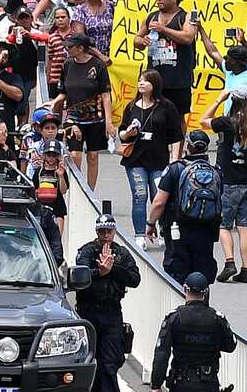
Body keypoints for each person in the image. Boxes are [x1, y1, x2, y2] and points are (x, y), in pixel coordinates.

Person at [74, 213, 140, 392]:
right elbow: (79, 277)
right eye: (102, 232)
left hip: (112, 313)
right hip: (89, 312)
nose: (105, 236)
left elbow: (134, 278)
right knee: (90, 360)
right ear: (97, 232)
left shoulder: (121, 254)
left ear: (114, 232)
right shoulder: (87, 251)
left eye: (109, 232)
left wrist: (113, 270)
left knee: (109, 362)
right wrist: (100, 272)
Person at [200, 87, 247, 284]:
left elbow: (204, 121)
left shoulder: (227, 122)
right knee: (244, 224)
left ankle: (230, 262)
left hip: (229, 180)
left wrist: (219, 100)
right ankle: (246, 269)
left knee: (224, 225)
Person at [118, 69, 184, 245]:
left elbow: (176, 135)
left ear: (154, 85)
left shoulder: (167, 106)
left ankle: (160, 230)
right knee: (139, 195)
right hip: (136, 159)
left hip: (159, 160)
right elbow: (122, 134)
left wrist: (175, 159)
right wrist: (128, 132)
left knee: (159, 197)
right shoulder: (131, 106)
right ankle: (140, 234)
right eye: (140, 80)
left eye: (145, 81)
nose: (141, 84)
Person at [148, 131, 222, 286]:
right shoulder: (216, 172)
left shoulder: (175, 169)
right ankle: (202, 307)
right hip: (206, 230)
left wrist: (150, 223)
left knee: (177, 275)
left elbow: (159, 202)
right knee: (202, 275)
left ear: (188, 146)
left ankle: (180, 308)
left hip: (178, 230)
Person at [51, 31, 114, 189]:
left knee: (92, 156)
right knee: (75, 154)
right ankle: (75, 187)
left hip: (95, 117)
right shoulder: (67, 65)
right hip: (73, 117)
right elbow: (63, 92)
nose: (68, 50)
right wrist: (53, 104)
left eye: (71, 47)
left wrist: (109, 122)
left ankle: (90, 191)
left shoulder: (98, 66)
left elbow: (106, 95)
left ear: (80, 48)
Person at [134, 0, 197, 119]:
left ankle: (178, 141)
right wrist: (142, 41)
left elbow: (188, 38)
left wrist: (164, 29)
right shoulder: (151, 17)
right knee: (152, 114)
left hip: (178, 79)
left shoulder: (186, 16)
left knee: (178, 116)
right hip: (155, 79)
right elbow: (136, 40)